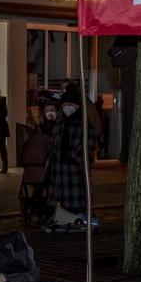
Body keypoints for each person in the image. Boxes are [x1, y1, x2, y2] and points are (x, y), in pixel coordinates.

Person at [47, 88, 93, 217]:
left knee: (75, 208)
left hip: (75, 173)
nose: (67, 107)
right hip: (58, 173)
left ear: (77, 106)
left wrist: (74, 158)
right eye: (65, 104)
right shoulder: (59, 122)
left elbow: (88, 147)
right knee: (58, 208)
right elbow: (52, 144)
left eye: (70, 104)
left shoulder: (84, 124)